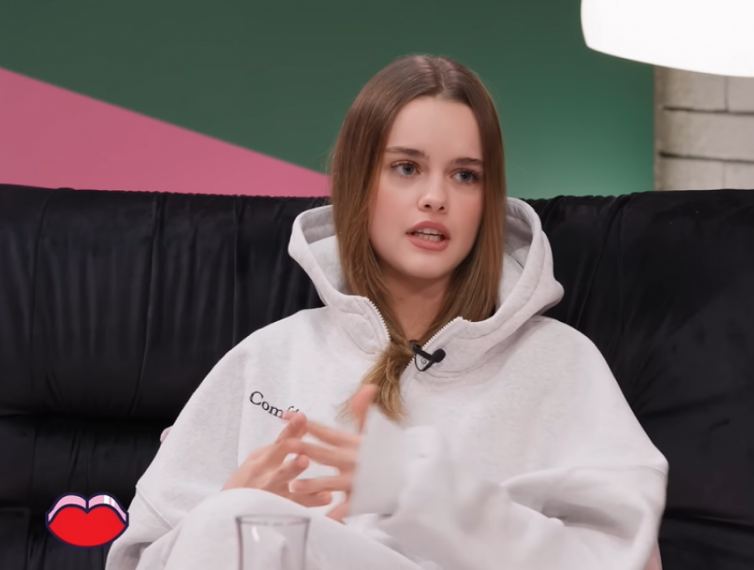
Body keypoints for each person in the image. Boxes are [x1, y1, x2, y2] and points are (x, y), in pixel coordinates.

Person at [106, 54, 668, 570]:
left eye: (465, 175)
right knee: (232, 522)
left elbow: (629, 562)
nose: (435, 197)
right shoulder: (269, 356)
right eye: (406, 168)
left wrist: (425, 497)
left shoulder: (560, 364)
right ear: (359, 183)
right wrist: (230, 508)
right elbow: (137, 558)